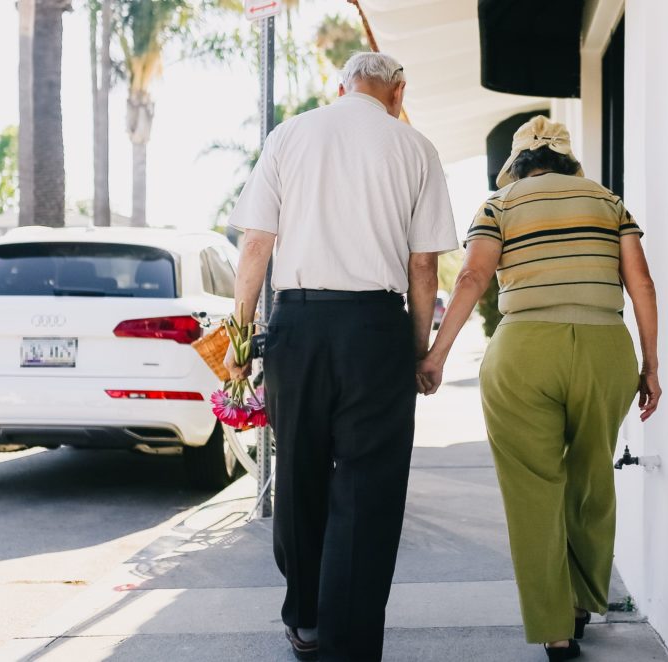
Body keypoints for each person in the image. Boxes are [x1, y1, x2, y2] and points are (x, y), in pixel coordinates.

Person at [225, 52, 459, 662]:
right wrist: (414, 350)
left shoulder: (290, 135)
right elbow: (425, 266)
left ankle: (305, 620)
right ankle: (350, 643)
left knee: (299, 474)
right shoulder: (416, 148)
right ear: (397, 91)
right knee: (367, 488)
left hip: (297, 323)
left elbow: (255, 245)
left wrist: (241, 339)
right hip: (375, 327)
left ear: (339, 87)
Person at [417, 116, 662, 660]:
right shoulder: (608, 202)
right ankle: (582, 601)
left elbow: (473, 277)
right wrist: (650, 364)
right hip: (604, 348)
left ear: (518, 164)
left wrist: (436, 355)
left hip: (524, 352)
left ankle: (554, 631)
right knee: (592, 475)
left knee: (533, 491)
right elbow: (640, 281)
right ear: (568, 160)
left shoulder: (499, 204)